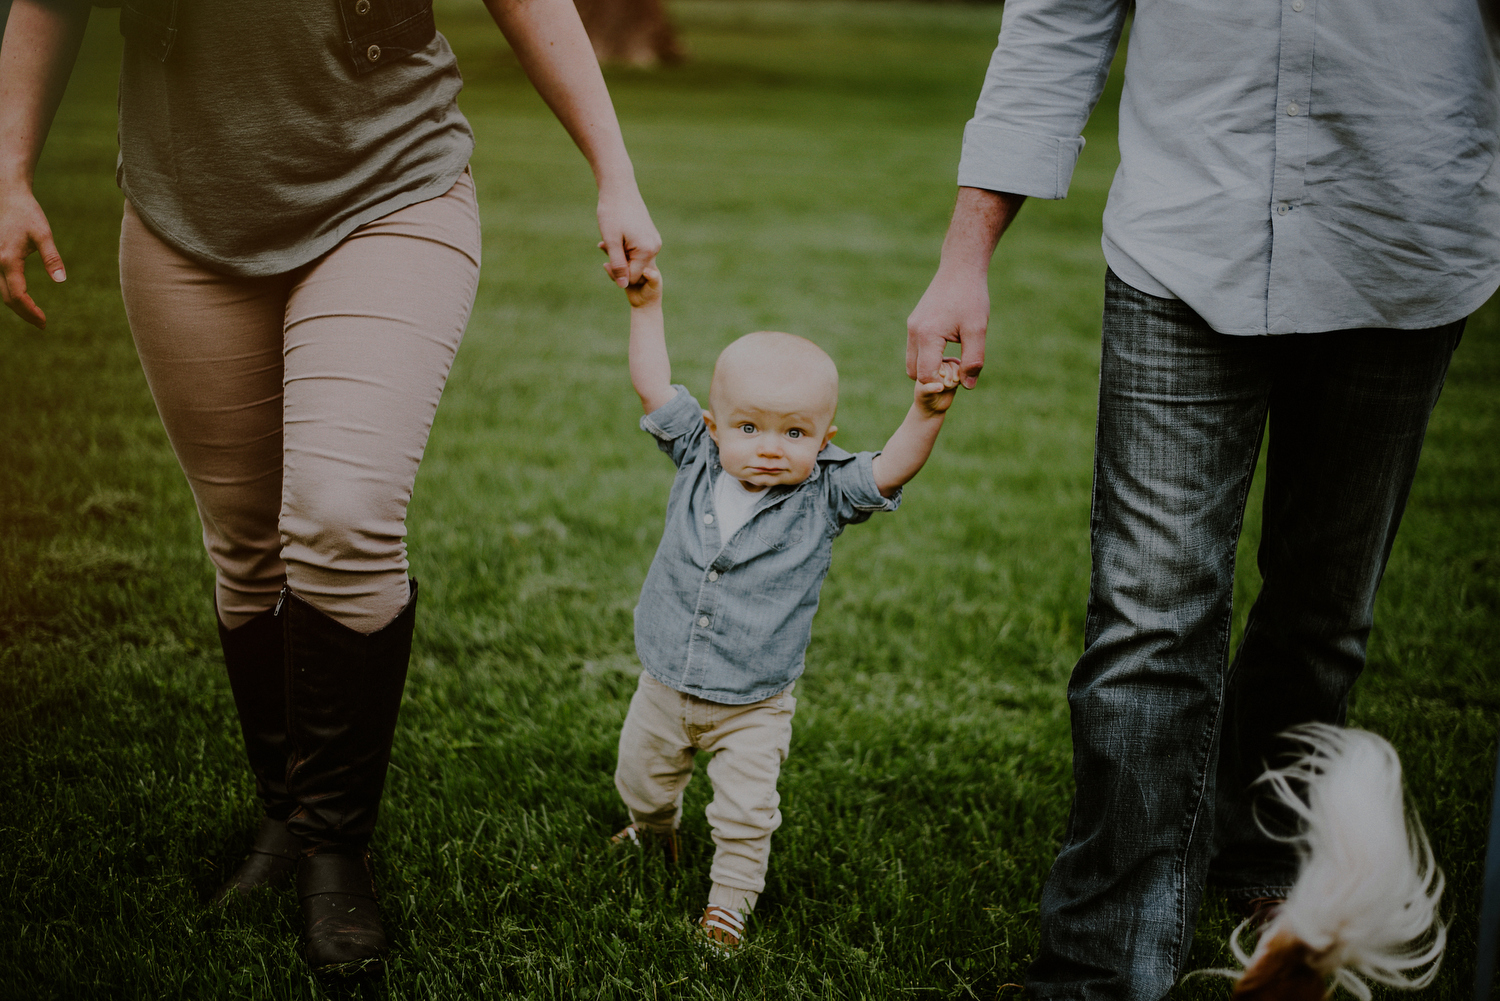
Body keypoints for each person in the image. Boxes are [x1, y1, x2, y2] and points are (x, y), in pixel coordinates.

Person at [0, 0, 659, 974]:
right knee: (245, 539)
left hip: (391, 187)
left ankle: (336, 848)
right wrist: (9, 169)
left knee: (342, 514)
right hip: (188, 209)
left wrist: (616, 173)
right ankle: (290, 818)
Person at [905, 2, 1498, 998]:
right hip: (1186, 236)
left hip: (1403, 241)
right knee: (1148, 617)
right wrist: (965, 256)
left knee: (1321, 614)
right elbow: (1057, 17)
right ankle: (1102, 962)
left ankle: (1268, 860)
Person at [609, 266, 960, 949]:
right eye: (749, 427)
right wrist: (647, 305)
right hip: (664, 679)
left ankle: (729, 904)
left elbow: (889, 469)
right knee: (642, 781)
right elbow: (654, 385)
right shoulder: (695, 458)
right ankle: (655, 832)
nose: (771, 447)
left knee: (746, 811)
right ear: (714, 428)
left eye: (796, 434)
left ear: (825, 440)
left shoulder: (824, 494)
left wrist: (925, 412)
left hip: (753, 702)